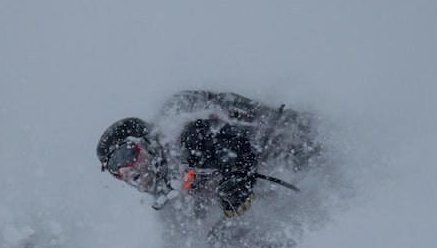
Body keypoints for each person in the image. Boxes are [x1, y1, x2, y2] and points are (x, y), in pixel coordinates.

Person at [96, 91, 320, 219]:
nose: (126, 170)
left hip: (301, 149)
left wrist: (237, 176)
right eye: (115, 169)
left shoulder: (185, 137)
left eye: (126, 156)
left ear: (146, 144)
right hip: (288, 191)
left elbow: (227, 140)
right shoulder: (170, 185)